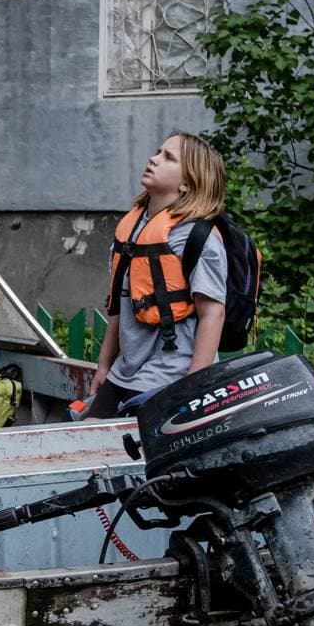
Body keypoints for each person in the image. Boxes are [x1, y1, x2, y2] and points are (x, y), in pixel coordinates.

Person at [85, 132, 229, 418]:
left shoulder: (197, 236)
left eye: (168, 157)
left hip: (172, 376)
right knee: (88, 435)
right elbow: (120, 306)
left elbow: (214, 314)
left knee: (121, 443)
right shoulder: (131, 229)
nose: (153, 159)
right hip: (125, 372)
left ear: (187, 183)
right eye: (157, 152)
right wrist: (104, 366)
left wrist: (194, 387)